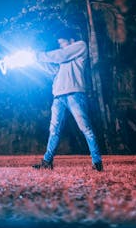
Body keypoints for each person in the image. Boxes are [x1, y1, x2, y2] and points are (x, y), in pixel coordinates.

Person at [33, 29, 103, 172]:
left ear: (71, 40)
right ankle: (47, 161)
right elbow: (51, 69)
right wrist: (35, 59)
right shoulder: (63, 59)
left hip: (75, 94)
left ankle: (97, 162)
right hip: (58, 96)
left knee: (86, 128)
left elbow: (61, 55)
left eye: (62, 42)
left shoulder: (80, 46)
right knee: (54, 130)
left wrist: (39, 55)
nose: (61, 46)